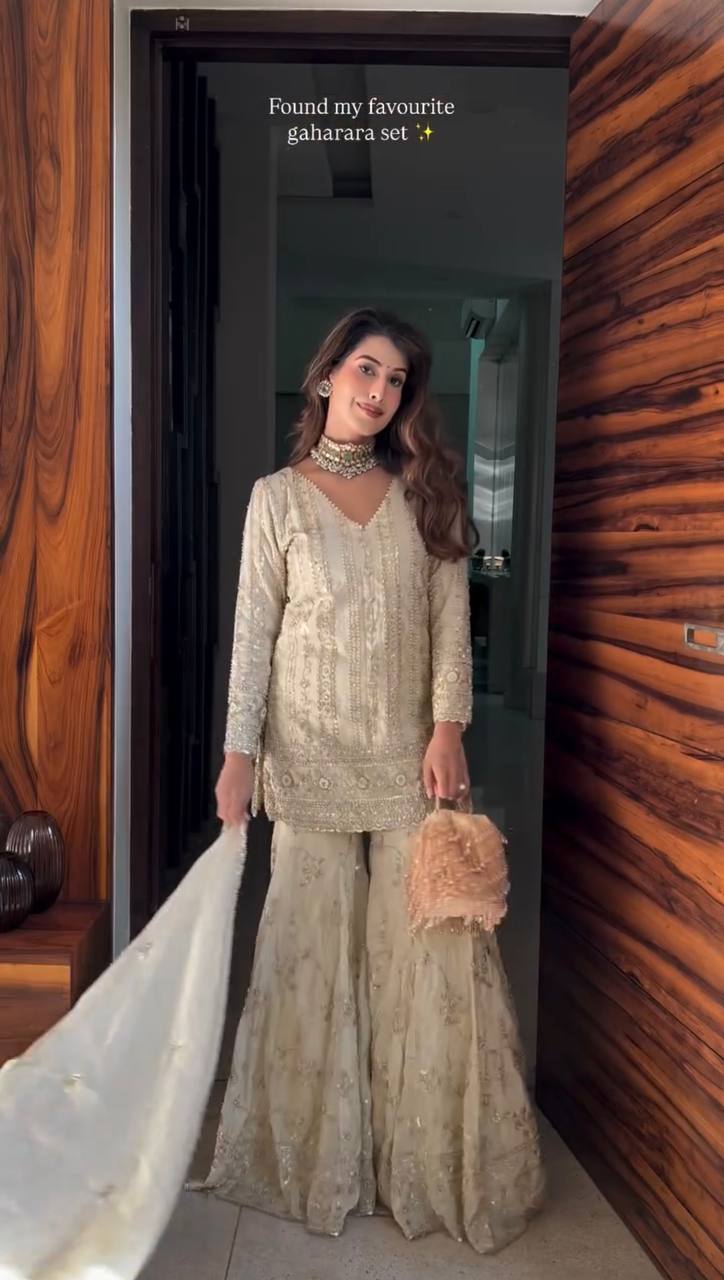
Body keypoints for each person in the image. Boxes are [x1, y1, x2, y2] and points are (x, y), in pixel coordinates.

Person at [192, 306, 545, 1254]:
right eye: (366, 369)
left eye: (396, 380)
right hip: (305, 755)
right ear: (326, 376)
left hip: (402, 756)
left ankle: (417, 1161)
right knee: (306, 946)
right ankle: (316, 1154)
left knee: (422, 949)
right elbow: (253, 638)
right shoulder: (276, 499)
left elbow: (450, 625)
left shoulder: (424, 492)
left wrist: (449, 728)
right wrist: (238, 754)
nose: (381, 390)